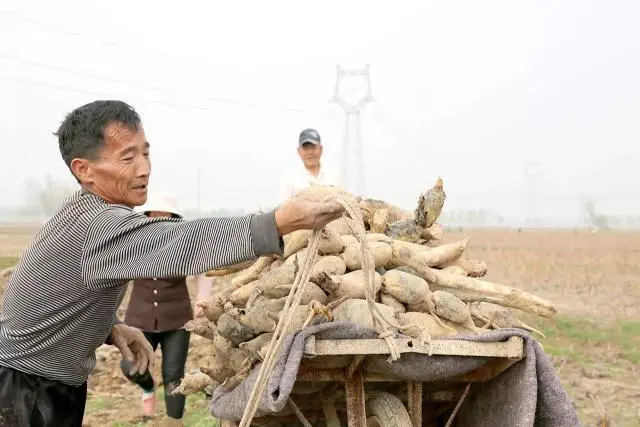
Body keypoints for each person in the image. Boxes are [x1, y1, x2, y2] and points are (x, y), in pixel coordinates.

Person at [0, 100, 344, 426]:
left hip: (41, 381)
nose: (144, 169)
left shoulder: (81, 212)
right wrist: (280, 221)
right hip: (24, 391)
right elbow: (180, 243)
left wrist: (107, 329)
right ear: (84, 169)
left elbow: (55, 294)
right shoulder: (99, 225)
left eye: (146, 153)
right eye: (127, 158)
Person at [119, 192, 212, 425]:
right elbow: (113, 271)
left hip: (176, 320)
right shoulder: (133, 243)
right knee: (131, 366)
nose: (159, 219)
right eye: (154, 215)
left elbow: (204, 271)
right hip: (139, 320)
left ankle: (174, 422)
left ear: (173, 218)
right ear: (147, 216)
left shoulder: (184, 244)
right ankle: (148, 388)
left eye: (165, 215)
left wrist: (203, 297)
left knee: (173, 375)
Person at [279, 128, 341, 201]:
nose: (310, 152)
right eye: (305, 148)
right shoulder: (289, 179)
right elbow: (283, 208)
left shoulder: (335, 175)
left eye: (313, 148)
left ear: (321, 149)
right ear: (299, 151)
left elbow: (343, 202)